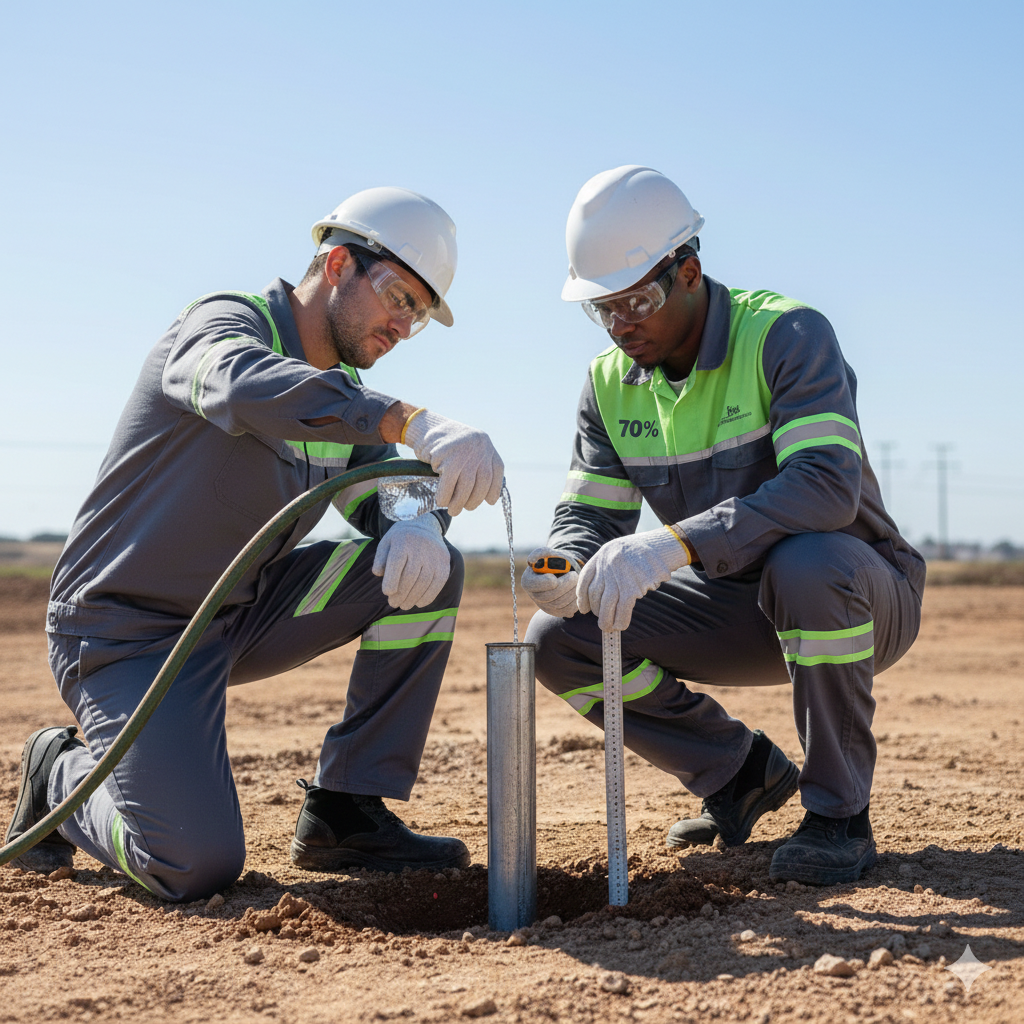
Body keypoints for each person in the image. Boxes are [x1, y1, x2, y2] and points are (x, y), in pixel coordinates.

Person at [6, 187, 505, 901]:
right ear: (337, 263)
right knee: (192, 863)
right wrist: (406, 419)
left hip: (240, 616)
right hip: (129, 633)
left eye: (419, 316)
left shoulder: (344, 396)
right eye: (399, 297)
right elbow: (242, 388)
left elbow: (382, 490)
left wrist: (420, 519)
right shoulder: (222, 325)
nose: (402, 326)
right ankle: (58, 772)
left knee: (427, 573)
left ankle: (344, 811)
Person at [523, 166, 924, 885]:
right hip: (731, 604)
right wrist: (564, 565)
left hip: (856, 591)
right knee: (557, 640)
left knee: (809, 564)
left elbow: (826, 487)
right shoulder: (607, 385)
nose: (621, 325)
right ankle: (739, 773)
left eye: (636, 301)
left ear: (689, 272)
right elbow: (588, 513)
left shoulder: (786, 336)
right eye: (602, 309)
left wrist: (672, 544)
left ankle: (838, 815)